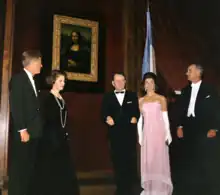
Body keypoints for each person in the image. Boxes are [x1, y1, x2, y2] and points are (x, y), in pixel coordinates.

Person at [176, 63, 220, 195]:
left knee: (204, 161)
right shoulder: (184, 90)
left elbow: (216, 110)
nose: (186, 73)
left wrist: (215, 128)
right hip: (188, 128)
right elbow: (180, 111)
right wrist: (179, 126)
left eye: (189, 70)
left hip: (204, 129)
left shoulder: (210, 90)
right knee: (189, 161)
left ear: (198, 73)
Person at [34, 70, 80, 195]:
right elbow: (46, 119)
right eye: (60, 81)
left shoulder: (61, 98)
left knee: (63, 168)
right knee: (51, 167)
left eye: (64, 81)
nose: (63, 83)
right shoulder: (47, 98)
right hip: (51, 138)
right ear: (53, 81)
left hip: (61, 137)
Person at [8, 50, 43, 195]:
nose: (41, 65)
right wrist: (22, 130)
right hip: (25, 134)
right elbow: (16, 106)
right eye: (40, 62)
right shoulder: (18, 79)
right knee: (20, 171)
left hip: (34, 133)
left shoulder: (33, 81)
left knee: (29, 170)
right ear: (33, 62)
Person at [101, 72, 140, 195]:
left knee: (129, 161)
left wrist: (135, 117)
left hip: (129, 135)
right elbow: (103, 113)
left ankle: (129, 188)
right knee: (117, 161)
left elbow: (136, 113)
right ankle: (120, 188)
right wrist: (107, 118)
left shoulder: (132, 96)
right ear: (113, 83)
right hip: (115, 135)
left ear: (125, 82)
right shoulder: (107, 97)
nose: (119, 83)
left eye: (122, 80)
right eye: (117, 81)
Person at [137, 72, 173, 195]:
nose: (149, 84)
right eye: (147, 82)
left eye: (151, 82)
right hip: (147, 134)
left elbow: (165, 118)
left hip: (159, 133)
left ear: (155, 84)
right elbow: (140, 120)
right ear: (144, 85)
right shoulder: (141, 100)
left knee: (159, 160)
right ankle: (150, 189)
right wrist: (140, 137)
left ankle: (160, 189)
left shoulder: (161, 99)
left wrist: (168, 134)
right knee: (149, 160)